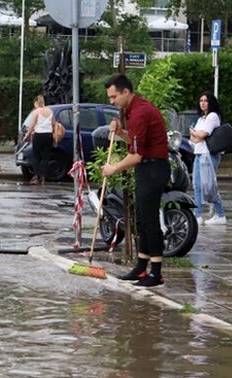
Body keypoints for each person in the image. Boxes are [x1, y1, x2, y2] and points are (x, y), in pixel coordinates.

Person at [102, 74, 169, 287]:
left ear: (125, 92)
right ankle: (141, 267)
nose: (112, 102)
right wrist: (121, 132)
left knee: (149, 220)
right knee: (141, 218)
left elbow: (136, 155)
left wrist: (113, 168)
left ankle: (156, 272)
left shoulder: (140, 112)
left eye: (114, 97)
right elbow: (136, 140)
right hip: (146, 167)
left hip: (153, 168)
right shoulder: (134, 110)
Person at [189, 91, 227, 225]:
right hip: (199, 153)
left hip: (208, 155)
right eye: (201, 101)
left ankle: (220, 214)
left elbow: (203, 134)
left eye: (205, 101)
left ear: (211, 102)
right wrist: (196, 135)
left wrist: (196, 134)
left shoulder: (213, 116)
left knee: (209, 186)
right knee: (197, 186)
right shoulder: (201, 119)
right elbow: (193, 138)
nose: (203, 103)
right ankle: (198, 215)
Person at [24, 95, 55, 185]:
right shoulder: (50, 111)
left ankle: (36, 176)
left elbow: (32, 125)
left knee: (36, 156)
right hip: (48, 135)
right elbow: (53, 123)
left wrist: (27, 134)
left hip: (39, 135)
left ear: (36, 102)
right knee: (45, 157)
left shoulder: (36, 112)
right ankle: (43, 177)